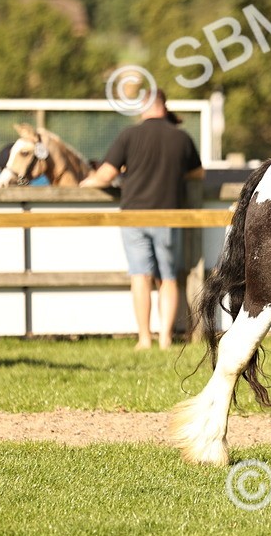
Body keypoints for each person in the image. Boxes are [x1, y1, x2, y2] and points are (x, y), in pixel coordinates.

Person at [81, 90, 203, 349]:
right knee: (168, 278)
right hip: (169, 215)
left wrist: (85, 182)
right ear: (164, 106)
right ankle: (166, 338)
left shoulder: (129, 135)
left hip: (133, 215)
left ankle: (144, 338)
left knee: (140, 276)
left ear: (143, 107)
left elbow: (104, 175)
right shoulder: (181, 137)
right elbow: (198, 173)